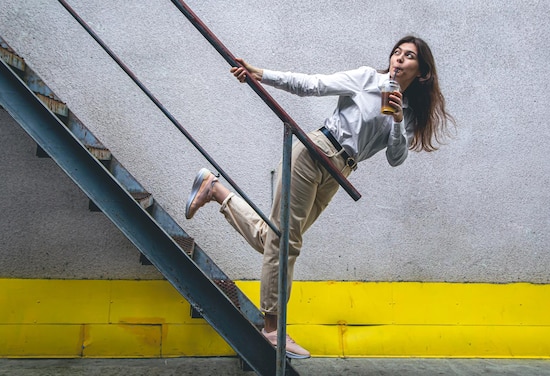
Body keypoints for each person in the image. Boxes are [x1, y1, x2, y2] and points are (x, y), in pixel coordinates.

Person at [184, 35, 455, 359]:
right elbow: (313, 85)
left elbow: (396, 158)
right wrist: (261, 74)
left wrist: (397, 120)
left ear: (421, 71)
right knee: (286, 242)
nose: (398, 59)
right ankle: (273, 329)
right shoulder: (369, 78)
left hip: (340, 172)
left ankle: (214, 189)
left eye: (408, 56)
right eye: (396, 52)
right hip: (316, 152)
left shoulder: (406, 113)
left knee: (270, 238)